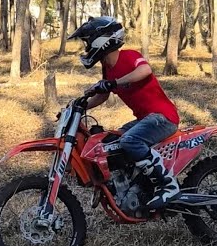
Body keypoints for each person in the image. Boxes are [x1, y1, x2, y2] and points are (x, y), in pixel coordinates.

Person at [69, 16, 181, 210]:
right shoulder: (107, 68)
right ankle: (133, 185)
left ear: (101, 41)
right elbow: (103, 96)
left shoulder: (128, 56)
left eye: (88, 42)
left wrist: (114, 82)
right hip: (145, 120)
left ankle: (168, 185)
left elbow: (145, 70)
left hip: (163, 117)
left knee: (130, 140)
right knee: (110, 141)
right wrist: (79, 106)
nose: (86, 47)